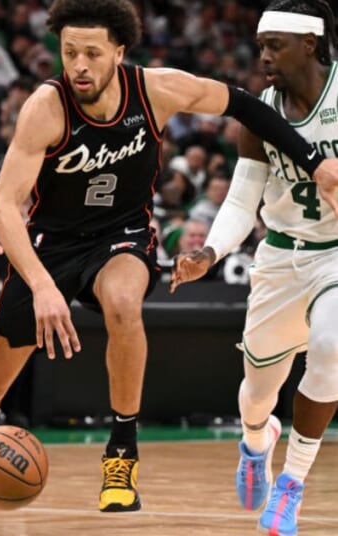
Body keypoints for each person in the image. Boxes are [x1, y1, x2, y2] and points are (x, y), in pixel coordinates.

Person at [0, 0, 338, 528]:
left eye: (92, 52)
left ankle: (121, 453)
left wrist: (315, 161)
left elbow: (245, 106)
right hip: (50, 244)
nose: (80, 65)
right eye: (70, 52)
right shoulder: (45, 107)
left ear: (119, 51)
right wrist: (44, 287)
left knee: (121, 303)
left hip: (124, 235)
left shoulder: (155, 88)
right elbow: (3, 208)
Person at [172, 2, 338, 534]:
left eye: (274, 44)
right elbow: (243, 201)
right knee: (258, 393)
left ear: (309, 44)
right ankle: (254, 442)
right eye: (260, 44)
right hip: (279, 259)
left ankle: (291, 485)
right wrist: (209, 253)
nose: (262, 54)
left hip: (334, 254)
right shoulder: (260, 111)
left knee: (333, 347)